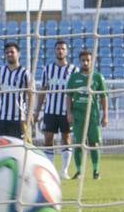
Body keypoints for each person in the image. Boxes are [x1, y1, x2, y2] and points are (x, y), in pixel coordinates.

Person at [66, 48, 108, 180]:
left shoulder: (97, 77)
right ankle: (79, 171)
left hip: (93, 116)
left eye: (88, 60)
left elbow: (103, 97)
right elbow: (68, 96)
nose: (85, 63)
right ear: (80, 62)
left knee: (94, 144)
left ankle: (96, 171)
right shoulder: (74, 78)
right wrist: (69, 113)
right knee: (78, 143)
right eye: (83, 60)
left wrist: (105, 114)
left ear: (92, 61)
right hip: (78, 116)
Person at [37, 39, 75, 178]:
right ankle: (51, 170)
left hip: (66, 112)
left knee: (66, 139)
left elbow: (75, 92)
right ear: (55, 50)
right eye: (58, 48)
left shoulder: (73, 70)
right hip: (50, 111)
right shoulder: (47, 69)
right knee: (48, 139)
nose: (60, 51)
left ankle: (64, 171)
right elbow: (43, 90)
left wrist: (73, 111)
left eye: (63, 49)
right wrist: (37, 110)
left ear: (67, 51)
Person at [0, 41, 34, 139]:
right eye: (7, 52)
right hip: (1, 118)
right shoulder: (0, 72)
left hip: (19, 118)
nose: (9, 54)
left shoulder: (25, 73)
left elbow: (31, 96)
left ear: (18, 54)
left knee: (18, 149)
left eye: (12, 52)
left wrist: (30, 115)